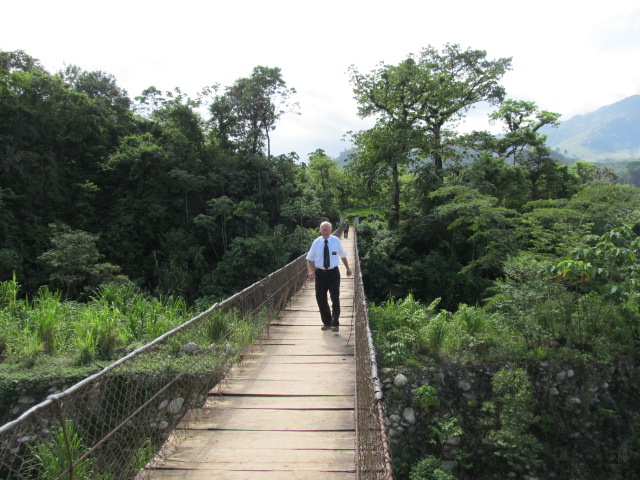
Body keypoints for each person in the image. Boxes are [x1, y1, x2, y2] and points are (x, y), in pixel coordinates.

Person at [306, 221, 352, 332]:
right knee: (321, 298)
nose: (325, 232)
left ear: (331, 230)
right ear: (320, 230)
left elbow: (343, 256)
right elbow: (309, 259)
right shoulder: (316, 242)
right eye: (323, 230)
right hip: (320, 274)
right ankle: (326, 322)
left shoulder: (336, 241)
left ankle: (335, 324)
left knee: (335, 298)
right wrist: (310, 271)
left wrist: (348, 268)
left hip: (333, 273)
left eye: (327, 230)